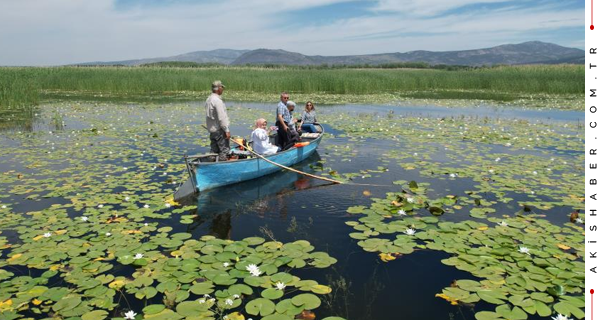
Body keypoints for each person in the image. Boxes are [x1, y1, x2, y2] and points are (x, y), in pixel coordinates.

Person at [205, 80, 230, 161]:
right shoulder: (217, 101)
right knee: (224, 151)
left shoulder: (208, 99)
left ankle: (210, 164)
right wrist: (226, 130)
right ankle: (223, 168)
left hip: (212, 131)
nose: (222, 89)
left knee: (214, 150)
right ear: (218, 88)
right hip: (219, 131)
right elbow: (221, 117)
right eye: (222, 87)